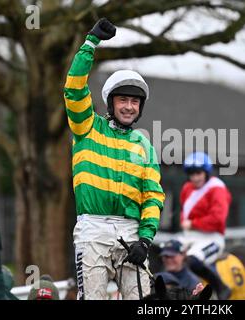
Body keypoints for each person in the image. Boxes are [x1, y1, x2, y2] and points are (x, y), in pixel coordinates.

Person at [64, 18, 165, 300]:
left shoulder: (144, 145)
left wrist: (145, 240)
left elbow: (153, 197)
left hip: (131, 233)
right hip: (92, 229)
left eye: (135, 102)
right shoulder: (87, 127)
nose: (129, 107)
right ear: (110, 103)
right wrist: (89, 44)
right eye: (123, 100)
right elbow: (73, 90)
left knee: (143, 302)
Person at [178, 152, 232, 299]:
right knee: (168, 254)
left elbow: (218, 219)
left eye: (198, 173)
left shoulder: (217, 188)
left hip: (212, 238)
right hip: (189, 237)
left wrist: (193, 224)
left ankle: (221, 288)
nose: (195, 177)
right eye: (191, 174)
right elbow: (184, 213)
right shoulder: (186, 188)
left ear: (206, 172)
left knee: (191, 261)